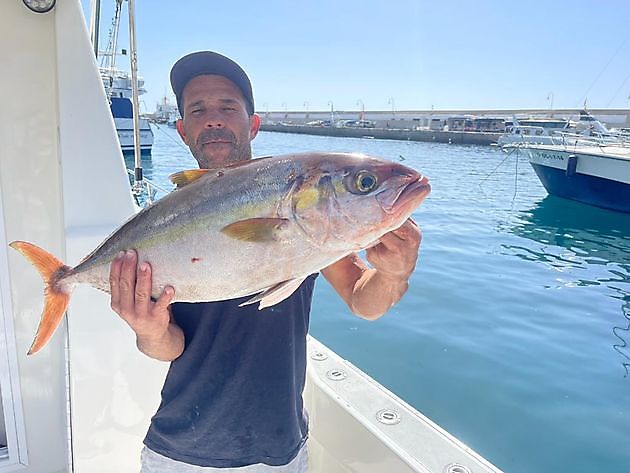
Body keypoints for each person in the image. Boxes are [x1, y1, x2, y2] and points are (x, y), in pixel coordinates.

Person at [109, 51, 422, 473]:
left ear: (253, 123)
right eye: (198, 110)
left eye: (227, 107)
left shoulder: (308, 219)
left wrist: (394, 271)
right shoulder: (165, 221)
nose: (213, 119)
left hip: (281, 450)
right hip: (178, 452)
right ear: (182, 130)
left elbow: (364, 303)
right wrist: (148, 330)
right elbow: (170, 347)